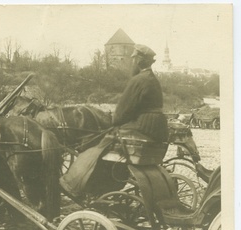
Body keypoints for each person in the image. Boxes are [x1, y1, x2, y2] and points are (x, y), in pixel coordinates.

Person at [60, 44, 168, 199]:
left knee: (98, 146)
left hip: (143, 126)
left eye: (133, 59)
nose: (132, 62)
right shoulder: (153, 80)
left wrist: (114, 122)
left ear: (138, 61)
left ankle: (79, 186)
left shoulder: (138, 80)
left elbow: (123, 111)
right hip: (157, 127)